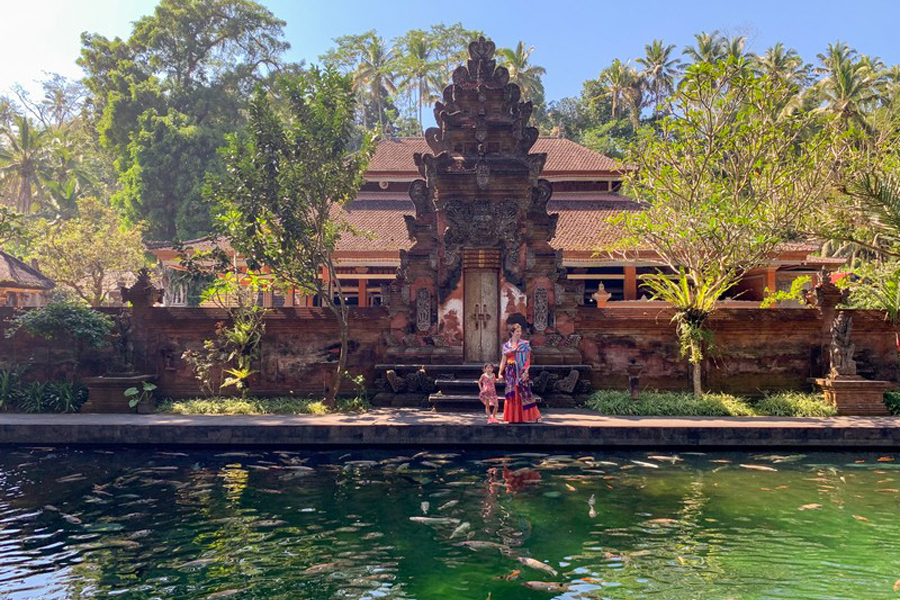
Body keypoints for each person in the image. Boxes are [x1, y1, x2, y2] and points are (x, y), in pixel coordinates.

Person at [500, 322, 541, 423]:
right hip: (510, 372)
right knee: (512, 393)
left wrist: (526, 371)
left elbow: (527, 359)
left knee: (525, 393)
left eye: (520, 331)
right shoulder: (506, 346)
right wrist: (500, 373)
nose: (519, 333)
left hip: (521, 371)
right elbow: (503, 360)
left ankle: (530, 416)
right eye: (517, 331)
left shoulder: (524, 344)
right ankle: (512, 417)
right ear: (512, 333)